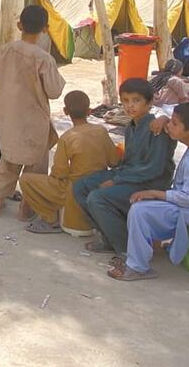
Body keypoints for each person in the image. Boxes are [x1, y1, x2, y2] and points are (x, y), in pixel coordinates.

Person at [110, 103, 189, 280]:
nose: (169, 125)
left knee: (140, 211)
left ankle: (138, 266)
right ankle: (142, 252)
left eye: (174, 124)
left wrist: (155, 193)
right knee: (146, 202)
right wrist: (164, 119)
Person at [75, 78, 176, 260]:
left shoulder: (157, 128)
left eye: (136, 100)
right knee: (81, 187)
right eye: (126, 101)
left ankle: (126, 249)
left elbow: (153, 169)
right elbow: (128, 162)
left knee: (97, 197)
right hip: (128, 175)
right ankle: (109, 237)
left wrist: (115, 180)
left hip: (149, 182)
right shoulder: (131, 127)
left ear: (149, 102)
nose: (130, 106)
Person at [0, 5, 67, 217]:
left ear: (19, 25)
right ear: (45, 29)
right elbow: (54, 91)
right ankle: (26, 207)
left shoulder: (6, 50)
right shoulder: (44, 59)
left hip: (9, 116)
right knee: (36, 164)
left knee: (9, 161)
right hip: (34, 120)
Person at [20, 90, 120, 234]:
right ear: (89, 111)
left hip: (72, 187)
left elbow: (59, 172)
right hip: (98, 183)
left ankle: (50, 220)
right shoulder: (101, 131)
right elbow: (114, 161)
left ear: (65, 111)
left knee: (26, 180)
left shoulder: (67, 138)